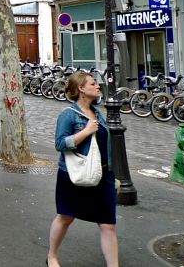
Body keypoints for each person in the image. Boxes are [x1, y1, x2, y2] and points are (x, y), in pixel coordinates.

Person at [47, 71, 117, 267]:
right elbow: (60, 144)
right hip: (74, 174)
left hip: (102, 175)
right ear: (81, 89)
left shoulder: (98, 113)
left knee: (108, 225)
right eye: (93, 84)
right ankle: (52, 256)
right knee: (66, 217)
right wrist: (85, 132)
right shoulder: (68, 115)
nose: (98, 86)